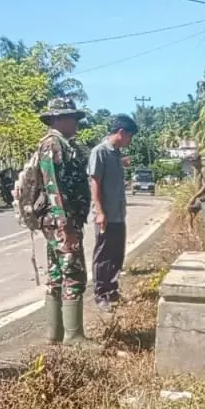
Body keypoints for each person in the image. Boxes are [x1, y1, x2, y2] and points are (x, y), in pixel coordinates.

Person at [26, 97, 91, 345]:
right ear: (59, 119)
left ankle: (55, 334)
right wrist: (65, 224)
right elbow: (53, 184)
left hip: (56, 220)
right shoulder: (53, 144)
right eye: (73, 118)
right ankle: (74, 337)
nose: (76, 123)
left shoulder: (63, 144)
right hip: (60, 220)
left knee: (56, 274)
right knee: (73, 272)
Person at [88, 114, 137, 311]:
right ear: (121, 132)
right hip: (106, 215)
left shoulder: (116, 154)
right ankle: (101, 295)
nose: (129, 141)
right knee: (103, 255)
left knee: (117, 255)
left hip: (118, 214)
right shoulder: (99, 152)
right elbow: (95, 183)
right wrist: (99, 212)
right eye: (129, 136)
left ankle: (112, 292)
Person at [187, 155, 205, 232]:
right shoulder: (199, 171)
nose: (193, 163)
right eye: (192, 162)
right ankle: (190, 229)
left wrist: (194, 197)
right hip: (201, 198)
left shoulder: (204, 170)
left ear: (199, 161)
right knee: (190, 208)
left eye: (194, 161)